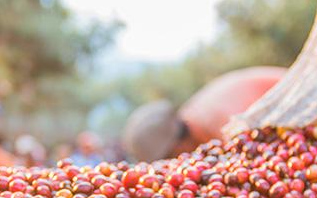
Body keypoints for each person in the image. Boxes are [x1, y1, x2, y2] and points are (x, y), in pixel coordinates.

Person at [122, 66, 286, 162]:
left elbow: (259, 160)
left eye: (171, 158)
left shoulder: (221, 122)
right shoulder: (192, 115)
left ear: (177, 145)